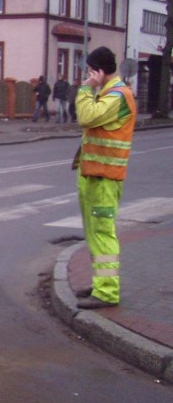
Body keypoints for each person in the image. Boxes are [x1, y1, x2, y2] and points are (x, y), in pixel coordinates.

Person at [72, 46, 136, 309]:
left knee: (102, 233)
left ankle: (107, 291)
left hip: (106, 178)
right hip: (94, 175)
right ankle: (101, 283)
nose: (88, 77)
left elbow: (86, 117)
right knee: (94, 233)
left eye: (90, 72)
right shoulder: (109, 94)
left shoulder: (118, 96)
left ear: (98, 70)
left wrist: (86, 89)